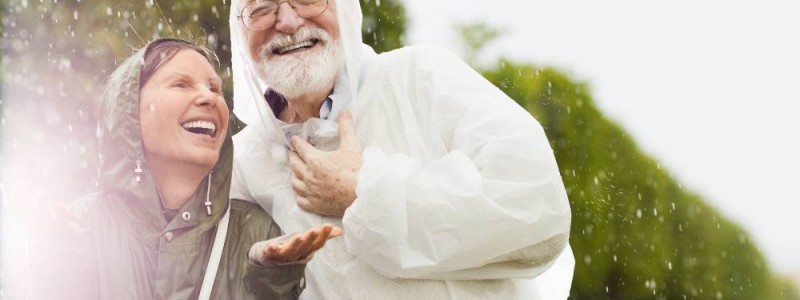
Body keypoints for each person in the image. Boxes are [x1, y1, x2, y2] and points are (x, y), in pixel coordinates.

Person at [228, 0, 575, 299]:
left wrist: (362, 188)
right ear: (239, 30)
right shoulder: (242, 163)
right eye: (259, 7)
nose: (287, 21)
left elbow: (538, 211)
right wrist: (265, 276)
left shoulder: (424, 77)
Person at [31, 38, 340, 300]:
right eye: (181, 84)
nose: (209, 97)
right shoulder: (80, 228)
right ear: (130, 111)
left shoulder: (255, 232)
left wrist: (272, 284)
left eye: (215, 89)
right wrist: (52, 275)